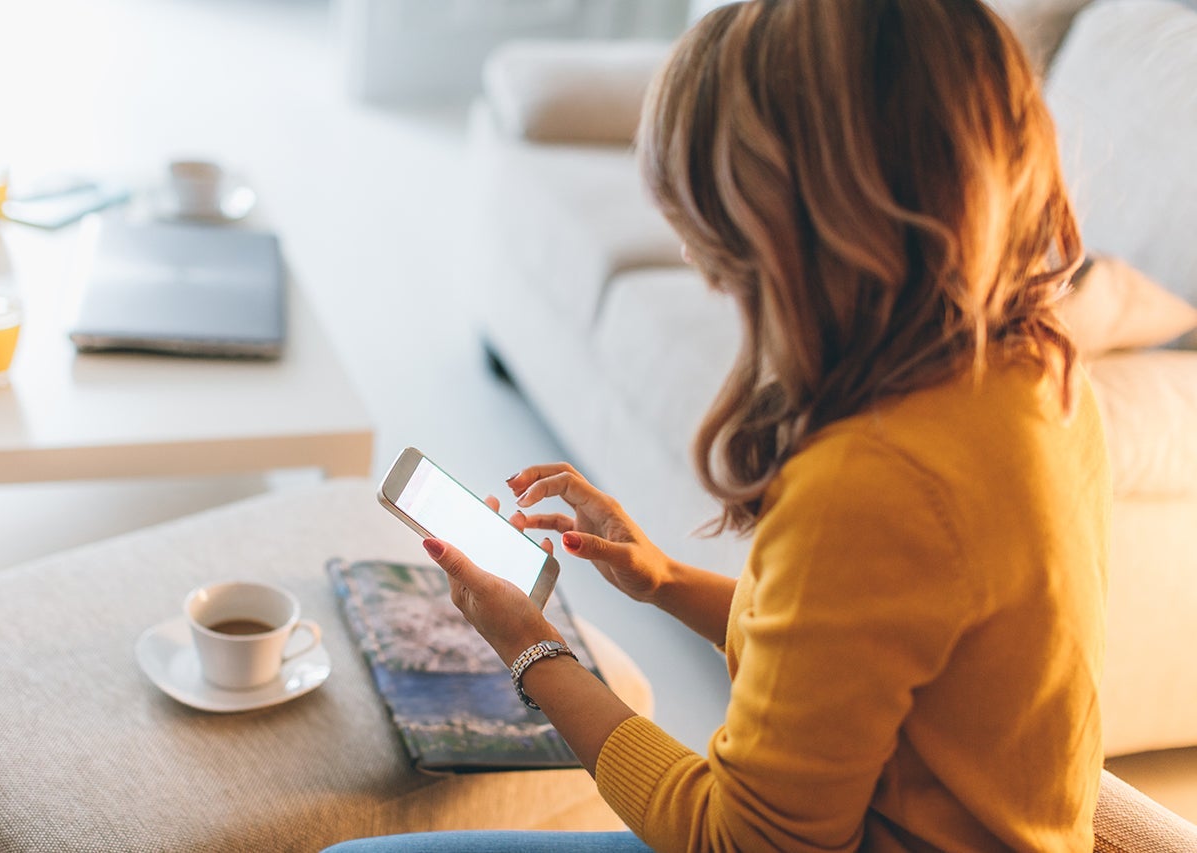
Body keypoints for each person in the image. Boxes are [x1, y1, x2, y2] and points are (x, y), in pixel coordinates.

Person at [324, 0, 1110, 849]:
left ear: (811, 237)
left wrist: (531, 649)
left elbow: (733, 839)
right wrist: (665, 580)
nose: (711, 283)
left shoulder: (872, 479)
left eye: (730, 257)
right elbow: (862, 646)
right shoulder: (1041, 378)